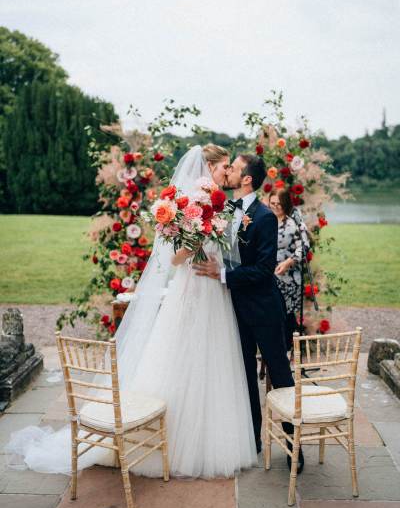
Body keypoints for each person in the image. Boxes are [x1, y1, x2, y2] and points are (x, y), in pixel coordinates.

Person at [6, 144, 258, 479]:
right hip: (191, 288)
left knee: (213, 359)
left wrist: (211, 248)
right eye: (225, 166)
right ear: (209, 167)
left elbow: (223, 247)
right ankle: (166, 438)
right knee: (179, 357)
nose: (228, 172)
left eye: (230, 167)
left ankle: (214, 437)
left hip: (213, 290)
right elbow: (173, 258)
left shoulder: (216, 202)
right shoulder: (192, 201)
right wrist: (196, 240)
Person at [194, 155, 304, 473]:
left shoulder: (265, 216)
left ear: (247, 179)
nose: (228, 171)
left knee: (281, 378)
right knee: (244, 379)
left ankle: (295, 448)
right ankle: (252, 441)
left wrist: (223, 275)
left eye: (235, 167)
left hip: (265, 311)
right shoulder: (227, 211)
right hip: (236, 312)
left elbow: (263, 270)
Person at [268, 188, 309, 351]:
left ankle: (287, 353)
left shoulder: (292, 224)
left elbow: (303, 248)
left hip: (288, 278)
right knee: (271, 318)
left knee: (285, 317)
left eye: (279, 204)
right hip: (268, 277)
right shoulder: (265, 220)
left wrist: (288, 262)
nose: (276, 207)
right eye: (272, 203)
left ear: (285, 204)